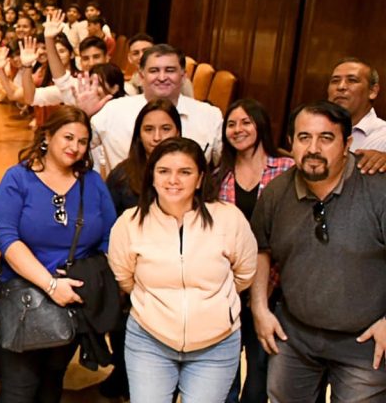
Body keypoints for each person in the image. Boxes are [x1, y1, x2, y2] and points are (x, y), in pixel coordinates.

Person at [249, 101, 386, 402]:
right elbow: (260, 248)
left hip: (363, 343)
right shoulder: (277, 191)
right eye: (304, 137)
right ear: (290, 142)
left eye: (326, 138)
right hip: (295, 337)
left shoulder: (378, 189)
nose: (313, 148)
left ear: (347, 143)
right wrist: (259, 308)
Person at [108, 137, 257, 402]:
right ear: (152, 176)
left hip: (216, 344)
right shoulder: (129, 223)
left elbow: (244, 274)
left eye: (184, 172)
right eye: (164, 171)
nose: (173, 180)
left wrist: (214, 304)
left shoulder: (229, 218)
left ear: (200, 179)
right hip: (149, 340)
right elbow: (124, 278)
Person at [0, 106, 117, 403]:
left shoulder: (93, 183)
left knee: (51, 384)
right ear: (47, 136)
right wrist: (50, 285)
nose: (75, 147)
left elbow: (112, 237)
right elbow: (6, 238)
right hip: (22, 295)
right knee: (18, 389)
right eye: (68, 137)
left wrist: (94, 281)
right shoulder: (18, 180)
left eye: (83, 141)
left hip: (72, 300)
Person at [210, 99, 294, 403]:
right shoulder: (219, 175)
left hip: (274, 286)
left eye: (245, 122)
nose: (238, 129)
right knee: (225, 369)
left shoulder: (287, 168)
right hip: (227, 287)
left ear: (260, 125)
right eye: (231, 124)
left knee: (260, 370)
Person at [99, 98, 181, 398]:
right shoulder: (122, 175)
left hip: (175, 279)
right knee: (126, 341)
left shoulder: (191, 173)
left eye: (165, 128)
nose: (157, 137)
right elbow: (108, 230)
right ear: (138, 134)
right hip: (131, 280)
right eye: (149, 129)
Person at [84, 43, 223, 173]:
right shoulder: (113, 111)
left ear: (183, 76)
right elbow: (77, 145)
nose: (162, 77)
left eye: (170, 70)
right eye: (154, 71)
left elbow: (226, 165)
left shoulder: (209, 115)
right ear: (141, 76)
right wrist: (84, 114)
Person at [326, 57, 386, 172]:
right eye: (335, 81)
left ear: (373, 91)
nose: (341, 86)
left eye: (352, 80)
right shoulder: (314, 132)